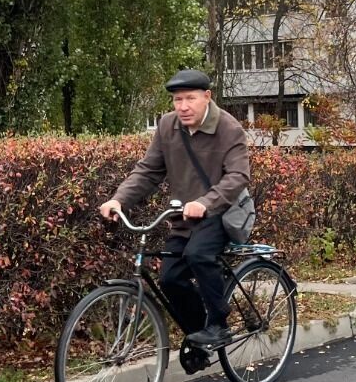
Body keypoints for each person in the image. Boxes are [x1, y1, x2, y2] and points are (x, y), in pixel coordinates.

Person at [100, 69, 250, 353]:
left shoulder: (228, 128)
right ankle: (198, 339)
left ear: (207, 97)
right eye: (177, 100)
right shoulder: (168, 126)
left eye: (190, 98)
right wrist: (119, 200)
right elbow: (148, 171)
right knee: (169, 278)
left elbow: (238, 176)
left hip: (221, 212)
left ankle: (219, 325)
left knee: (198, 255)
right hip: (184, 216)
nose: (182, 106)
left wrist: (206, 203)